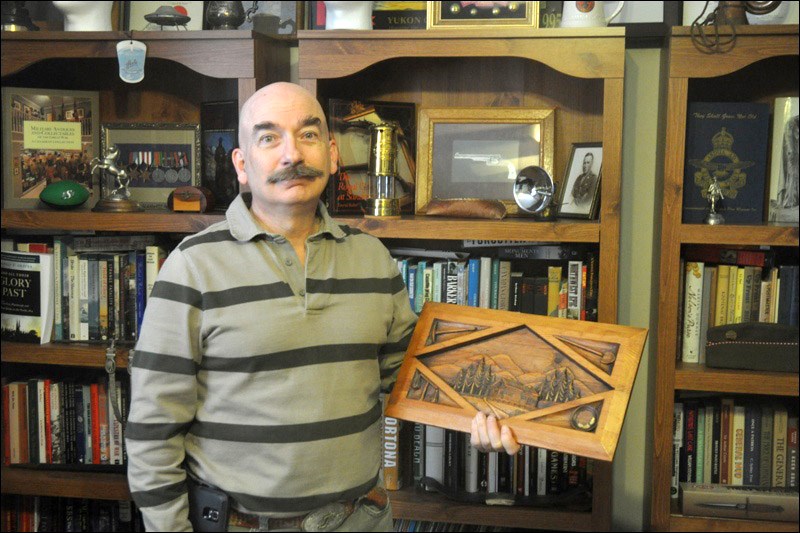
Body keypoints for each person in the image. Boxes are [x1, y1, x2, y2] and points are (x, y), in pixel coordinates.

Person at [125, 82, 518, 532]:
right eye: (269, 138)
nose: (292, 154)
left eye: (308, 135)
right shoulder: (191, 267)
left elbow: (414, 382)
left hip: (362, 521)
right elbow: (153, 434)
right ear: (242, 165)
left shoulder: (373, 258)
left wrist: (482, 419)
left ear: (332, 154)